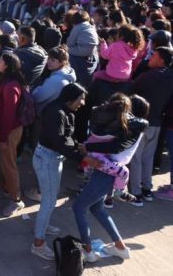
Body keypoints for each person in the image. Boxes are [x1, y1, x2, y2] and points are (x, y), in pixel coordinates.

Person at [72, 93, 147, 262]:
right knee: (97, 209)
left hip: (104, 172)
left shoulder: (127, 128)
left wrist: (87, 146)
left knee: (78, 208)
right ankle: (120, 248)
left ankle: (88, 251)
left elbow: (113, 145)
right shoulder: (131, 127)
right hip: (108, 172)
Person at [29, 83, 91, 260]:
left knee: (50, 198)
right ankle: (38, 244)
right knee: (49, 201)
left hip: (53, 159)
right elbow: (59, 142)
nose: (83, 103)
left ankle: (43, 224)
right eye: (81, 99)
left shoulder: (65, 110)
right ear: (71, 98)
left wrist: (78, 146)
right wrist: (82, 158)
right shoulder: (57, 113)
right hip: (48, 159)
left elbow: (66, 137)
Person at [130, 46, 173, 202]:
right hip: (157, 122)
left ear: (161, 59)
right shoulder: (170, 77)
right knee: (148, 157)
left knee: (136, 158)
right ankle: (147, 188)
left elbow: (131, 90)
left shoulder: (146, 77)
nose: (150, 58)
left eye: (153, 55)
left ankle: (135, 192)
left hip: (140, 122)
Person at [0, 52, 26, 216]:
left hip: (10, 130)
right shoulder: (6, 81)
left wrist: (4, 136)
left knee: (9, 164)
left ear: (7, 65)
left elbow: (9, 115)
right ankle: (9, 189)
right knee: (7, 162)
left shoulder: (10, 86)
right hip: (8, 129)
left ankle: (16, 199)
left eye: (0, 61)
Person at [66, 10, 99, 86]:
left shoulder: (77, 27)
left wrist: (67, 47)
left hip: (82, 51)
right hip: (93, 51)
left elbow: (70, 43)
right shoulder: (91, 26)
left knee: (66, 50)